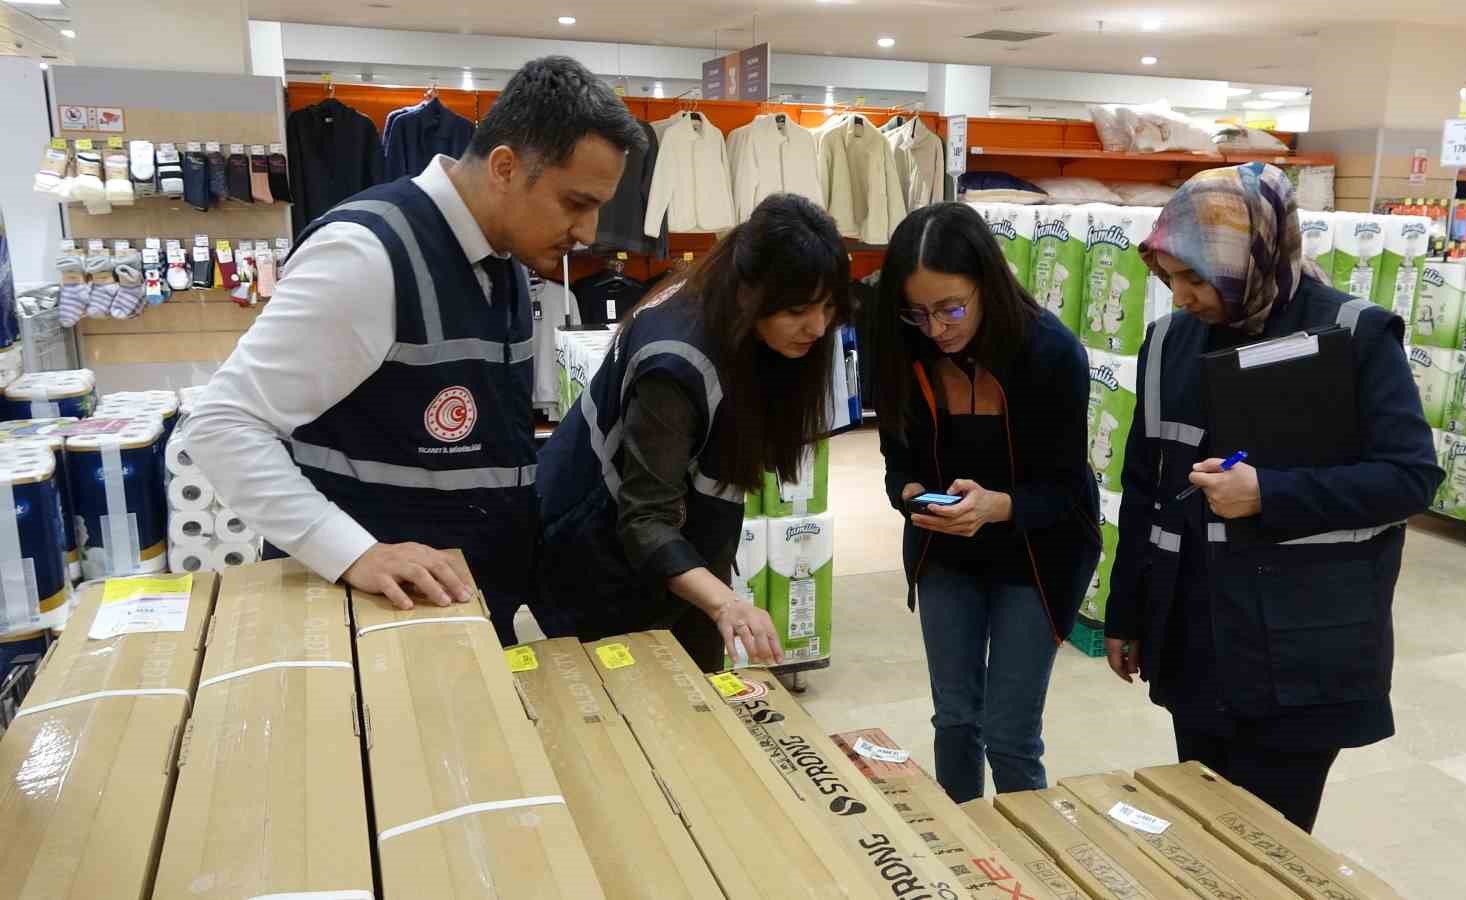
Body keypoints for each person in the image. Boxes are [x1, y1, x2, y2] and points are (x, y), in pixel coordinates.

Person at [188, 57, 645, 645]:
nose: (588, 232)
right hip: (374, 620)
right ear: (505, 167)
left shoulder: (501, 256)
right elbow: (222, 423)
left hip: (457, 607)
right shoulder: (368, 256)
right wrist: (355, 554)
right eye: (576, 203)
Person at [1102, 163, 1444, 832]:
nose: (1180, 297)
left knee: (1272, 844)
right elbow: (1145, 486)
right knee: (1202, 825)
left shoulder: (1355, 336)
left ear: (1253, 253)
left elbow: (1410, 477)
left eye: (1196, 277)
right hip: (1196, 640)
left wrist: (1269, 494)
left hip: (1300, 650)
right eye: (1170, 276)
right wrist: (1127, 613)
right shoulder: (1170, 342)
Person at [535, 193, 852, 673]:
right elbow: (645, 519)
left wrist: (718, 596)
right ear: (750, 291)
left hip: (667, 540)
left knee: (697, 688)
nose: (817, 326)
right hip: (594, 546)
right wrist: (725, 603)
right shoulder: (676, 363)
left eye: (828, 307)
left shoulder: (741, 317)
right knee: (631, 705)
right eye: (798, 310)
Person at [873, 202, 1100, 804]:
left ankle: (1031, 862)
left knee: (1009, 733)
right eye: (918, 312)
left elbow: (1066, 488)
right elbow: (898, 455)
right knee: (955, 719)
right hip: (946, 547)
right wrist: (910, 495)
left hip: (1036, 551)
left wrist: (998, 506)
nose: (937, 329)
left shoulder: (1051, 353)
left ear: (987, 285)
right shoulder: (904, 347)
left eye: (951, 308)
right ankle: (964, 855)